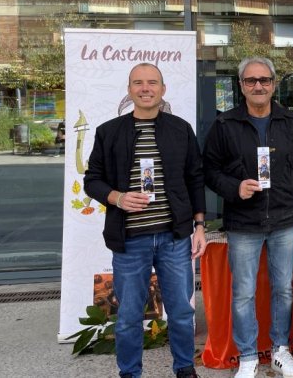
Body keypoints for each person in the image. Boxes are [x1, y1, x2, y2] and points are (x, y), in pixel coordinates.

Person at [83, 63, 206, 378]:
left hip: (174, 238)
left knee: (181, 312)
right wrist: (118, 198)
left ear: (163, 89)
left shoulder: (180, 129)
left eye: (152, 82)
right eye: (138, 83)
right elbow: (92, 180)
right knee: (128, 317)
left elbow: (195, 179)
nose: (145, 88)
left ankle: (185, 369)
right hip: (130, 240)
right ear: (129, 90)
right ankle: (130, 373)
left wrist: (200, 226)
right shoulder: (109, 132)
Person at [202, 57, 293, 378]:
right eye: (251, 80)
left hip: (284, 220)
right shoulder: (225, 125)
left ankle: (280, 351)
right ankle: (248, 356)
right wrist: (235, 188)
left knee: (284, 289)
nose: (258, 86)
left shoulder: (291, 123)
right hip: (243, 223)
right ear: (241, 86)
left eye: (264, 80)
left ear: (273, 84)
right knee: (244, 293)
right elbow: (209, 171)